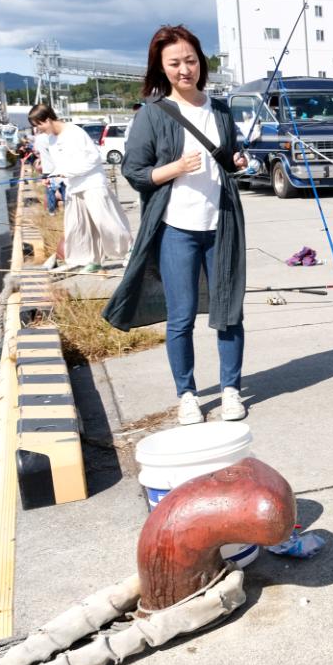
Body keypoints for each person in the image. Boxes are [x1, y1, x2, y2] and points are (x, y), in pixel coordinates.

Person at [102, 24, 250, 426]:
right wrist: (176, 168)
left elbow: (232, 155)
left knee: (228, 309)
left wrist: (238, 162)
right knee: (181, 315)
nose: (185, 69)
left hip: (222, 224)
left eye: (191, 60)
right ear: (162, 68)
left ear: (201, 62)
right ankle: (187, 394)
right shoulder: (152, 115)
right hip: (175, 228)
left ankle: (231, 388)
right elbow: (135, 172)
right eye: (175, 63)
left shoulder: (219, 109)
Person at [28, 103, 132, 274]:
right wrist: (52, 177)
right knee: (79, 226)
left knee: (106, 222)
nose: (38, 130)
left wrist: (65, 172)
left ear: (46, 119)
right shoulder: (52, 139)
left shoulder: (74, 132)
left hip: (92, 184)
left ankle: (129, 250)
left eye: (38, 125)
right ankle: (92, 260)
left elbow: (94, 158)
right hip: (74, 187)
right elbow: (60, 166)